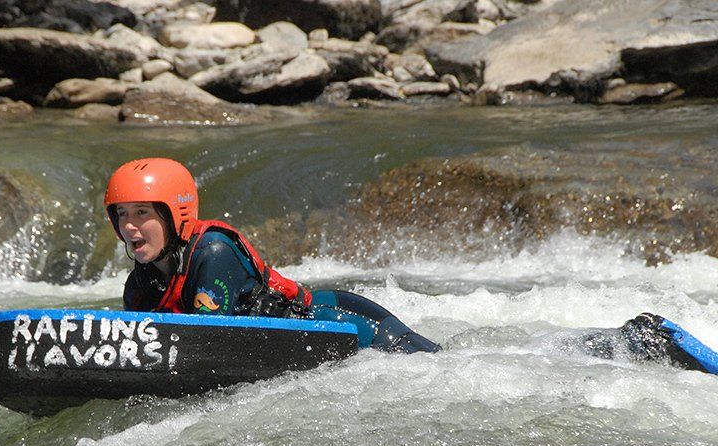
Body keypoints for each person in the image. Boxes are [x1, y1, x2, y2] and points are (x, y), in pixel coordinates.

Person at [104, 157, 718, 373]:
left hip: (351, 324)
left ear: (176, 211)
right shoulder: (140, 283)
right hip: (319, 333)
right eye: (122, 216)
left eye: (144, 214)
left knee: (468, 367)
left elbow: (217, 341)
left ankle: (635, 341)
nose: (132, 228)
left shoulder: (212, 252)